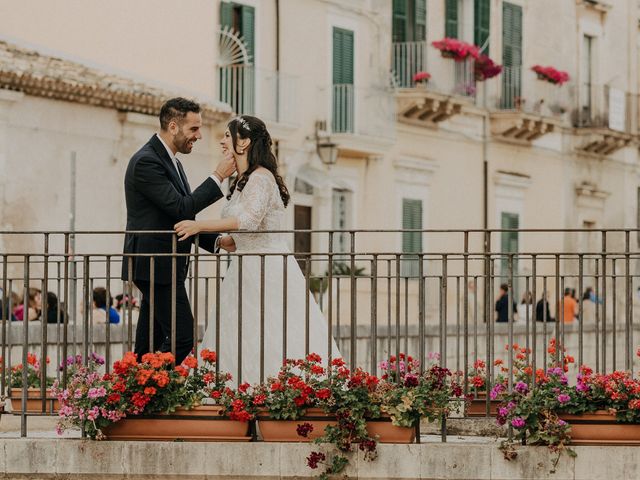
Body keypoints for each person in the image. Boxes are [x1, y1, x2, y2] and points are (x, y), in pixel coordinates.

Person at [174, 115, 340, 383]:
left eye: (227, 136)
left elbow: (249, 221)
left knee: (272, 333)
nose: (222, 141)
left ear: (245, 142)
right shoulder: (243, 181)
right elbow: (237, 238)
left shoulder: (261, 178)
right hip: (243, 269)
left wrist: (199, 226)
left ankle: (280, 394)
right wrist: (214, 240)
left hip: (267, 270)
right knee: (242, 335)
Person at [121, 97, 237, 364]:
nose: (199, 136)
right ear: (173, 127)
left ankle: (138, 393)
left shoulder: (173, 162)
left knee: (149, 342)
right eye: (194, 129)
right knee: (183, 336)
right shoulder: (146, 162)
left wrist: (217, 241)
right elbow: (182, 207)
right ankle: (146, 388)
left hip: (165, 265)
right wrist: (217, 177)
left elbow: (180, 218)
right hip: (155, 264)